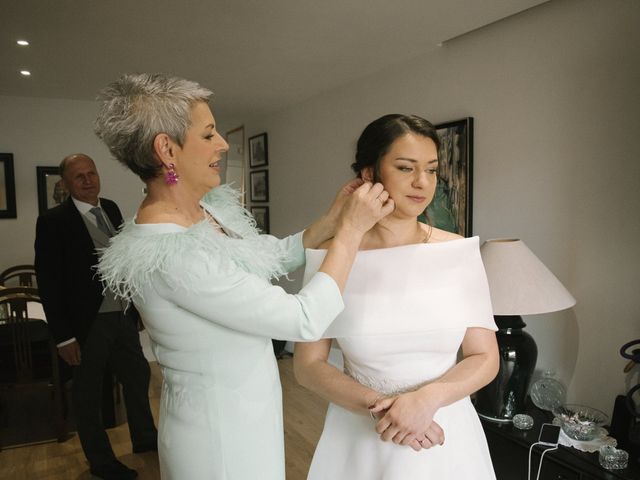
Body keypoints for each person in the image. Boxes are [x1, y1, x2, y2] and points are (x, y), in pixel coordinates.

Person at [93, 73, 394, 480]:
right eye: (209, 134)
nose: (222, 144)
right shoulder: (171, 253)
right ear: (167, 149)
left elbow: (258, 255)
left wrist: (331, 220)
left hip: (249, 412)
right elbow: (302, 319)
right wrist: (352, 233)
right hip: (218, 437)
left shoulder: (204, 212)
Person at [294, 114, 500, 479]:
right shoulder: (332, 257)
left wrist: (427, 400)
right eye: (406, 168)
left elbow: (484, 357)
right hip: (360, 435)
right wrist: (386, 411)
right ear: (370, 174)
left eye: (432, 170)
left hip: (445, 435)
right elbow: (307, 365)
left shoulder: (458, 254)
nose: (423, 182)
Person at [34, 153, 158, 480]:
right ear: (65, 184)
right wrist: (63, 336)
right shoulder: (53, 222)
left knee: (137, 376)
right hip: (85, 324)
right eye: (79, 177)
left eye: (92, 173)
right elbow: (49, 283)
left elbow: (124, 262)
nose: (88, 180)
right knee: (88, 393)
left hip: (122, 315)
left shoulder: (112, 209)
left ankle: (146, 438)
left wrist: (138, 306)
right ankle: (102, 462)